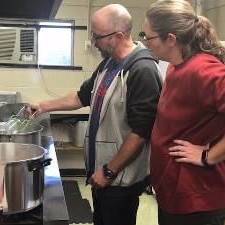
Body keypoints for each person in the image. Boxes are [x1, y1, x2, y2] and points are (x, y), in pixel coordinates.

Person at [27, 4, 162, 225]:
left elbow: (141, 133)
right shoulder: (109, 64)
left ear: (118, 36)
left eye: (97, 36)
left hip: (119, 180)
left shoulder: (141, 69)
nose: (92, 41)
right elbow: (81, 97)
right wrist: (43, 105)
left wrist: (109, 171)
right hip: (102, 172)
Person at [143, 0, 225, 224]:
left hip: (199, 198)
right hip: (175, 193)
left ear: (171, 39)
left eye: (149, 37)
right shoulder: (175, 66)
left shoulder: (203, 70)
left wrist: (208, 155)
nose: (145, 42)